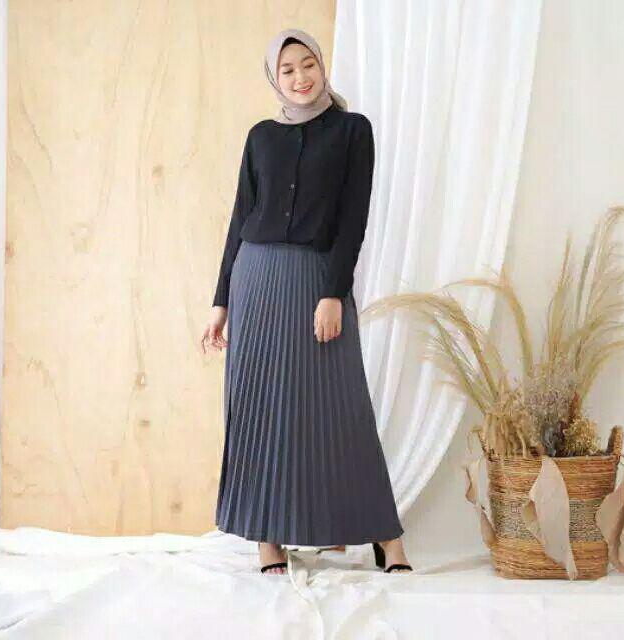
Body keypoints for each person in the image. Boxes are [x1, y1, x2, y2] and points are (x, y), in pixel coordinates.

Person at [202, 28, 413, 576]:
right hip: (254, 279)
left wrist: (332, 293)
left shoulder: (352, 131)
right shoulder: (261, 137)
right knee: (258, 409)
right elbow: (240, 217)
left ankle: (386, 536)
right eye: (288, 69)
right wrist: (221, 301)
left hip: (316, 279)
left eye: (308, 64)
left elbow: (353, 220)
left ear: (322, 65)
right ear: (274, 77)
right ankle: (267, 539)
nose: (300, 77)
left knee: (341, 410)